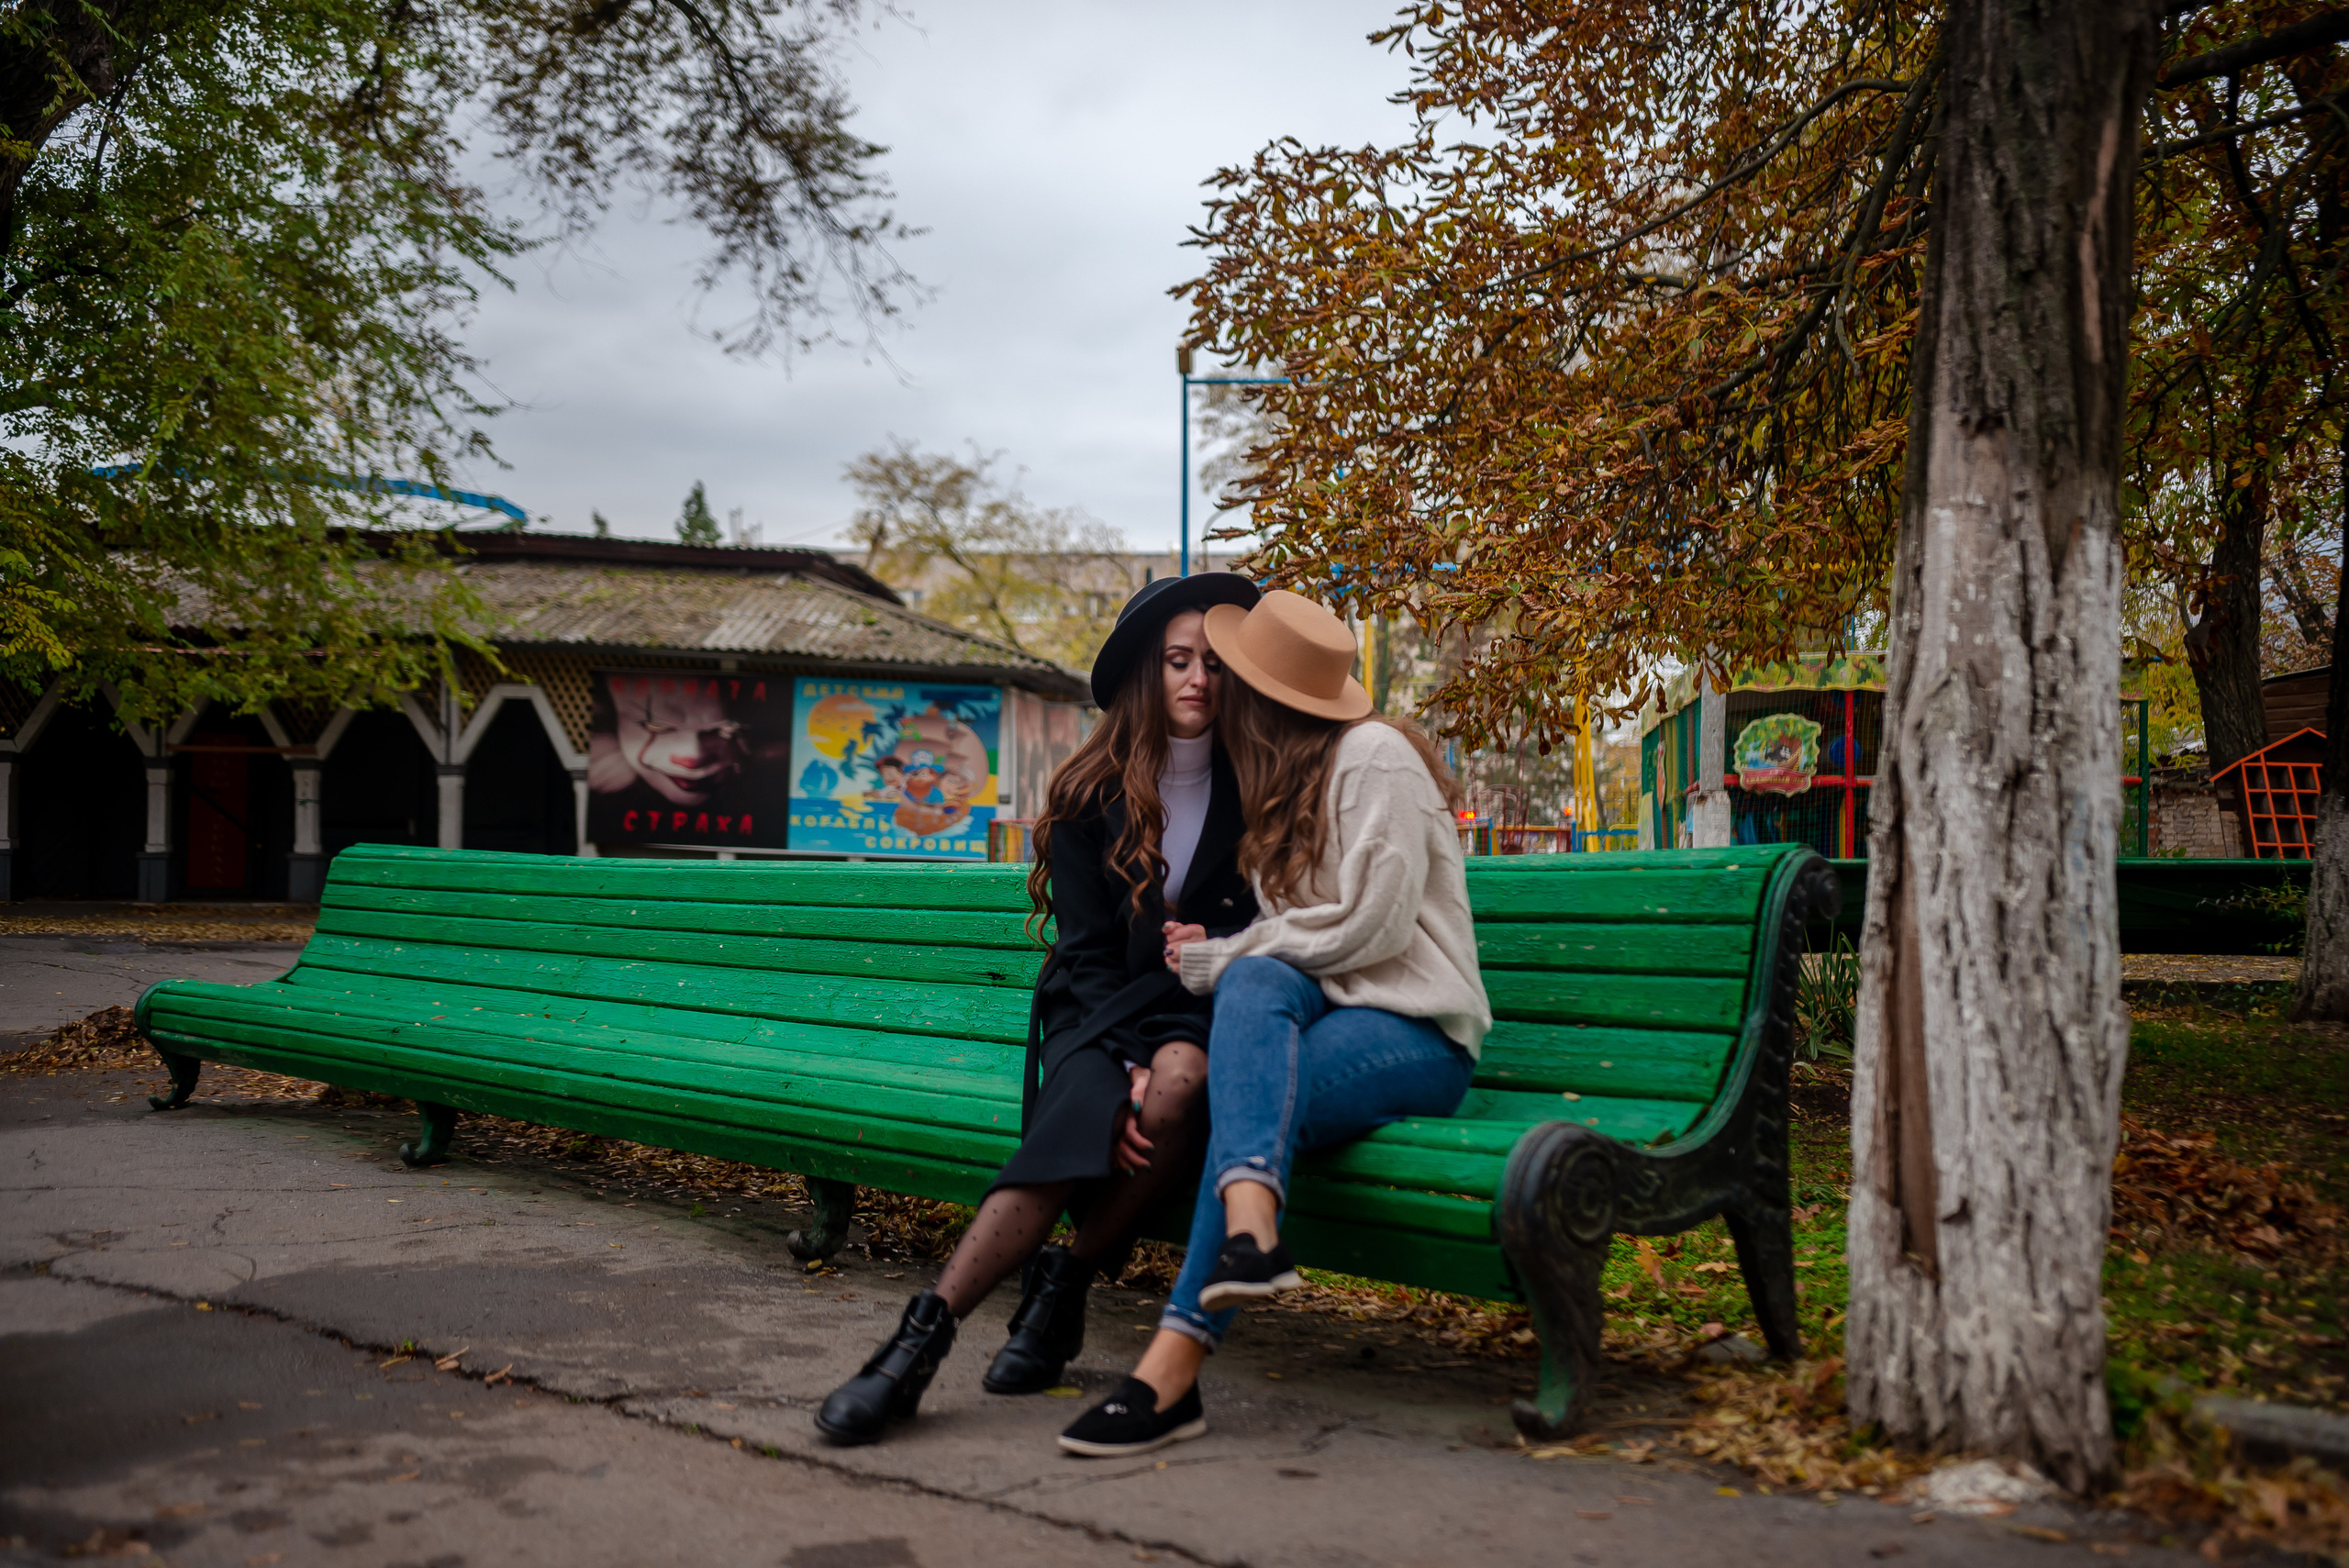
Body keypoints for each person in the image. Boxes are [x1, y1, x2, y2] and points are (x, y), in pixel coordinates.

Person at [815, 573, 1264, 1445]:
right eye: (1178, 659)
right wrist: (1122, 1062)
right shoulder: (1089, 792)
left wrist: (1213, 950)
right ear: (1146, 670)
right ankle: (917, 1345)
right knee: (1101, 1101)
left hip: (1201, 1006)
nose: (1197, 678)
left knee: (1184, 1080)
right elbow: (1086, 954)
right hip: (1094, 1009)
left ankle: (1065, 1284)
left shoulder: (1258, 787)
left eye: (1213, 661)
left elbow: (1265, 918)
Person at [1054, 589, 1491, 1457]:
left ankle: (1169, 1371)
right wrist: (1223, 947)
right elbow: (1285, 948)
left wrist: (1231, 950)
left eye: (1230, 673)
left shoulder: (1374, 758)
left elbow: (1377, 923)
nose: (1214, 687)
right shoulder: (1278, 782)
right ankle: (1253, 1232)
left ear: (1267, 692)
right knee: (1254, 1011)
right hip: (1317, 1016)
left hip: (1414, 1034)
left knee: (1248, 1088)